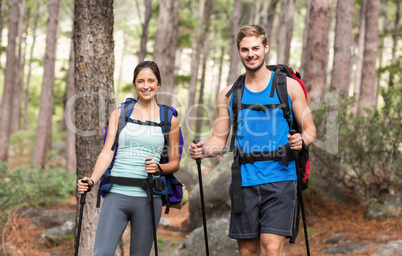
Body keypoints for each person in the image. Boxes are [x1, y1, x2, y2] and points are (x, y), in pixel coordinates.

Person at [189, 25, 316, 256]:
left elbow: (310, 130)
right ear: (239, 52)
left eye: (256, 48)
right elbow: (219, 138)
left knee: (271, 247)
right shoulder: (229, 94)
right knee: (247, 251)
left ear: (265, 48)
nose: (251, 54)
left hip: (281, 178)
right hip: (243, 181)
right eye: (245, 49)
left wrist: (301, 140)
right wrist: (203, 149)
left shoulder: (288, 86)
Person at [77, 60, 180, 256]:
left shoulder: (170, 120)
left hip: (149, 198)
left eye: (151, 80)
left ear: (159, 84)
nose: (146, 86)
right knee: (102, 253)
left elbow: (174, 163)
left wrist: (159, 168)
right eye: (140, 81)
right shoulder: (120, 114)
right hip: (117, 194)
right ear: (135, 84)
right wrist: (92, 180)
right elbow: (107, 152)